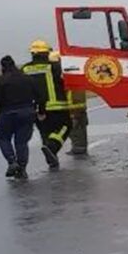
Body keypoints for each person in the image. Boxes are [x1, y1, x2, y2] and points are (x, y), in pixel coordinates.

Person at [23, 40, 79, 169]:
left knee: (45, 132)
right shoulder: (53, 67)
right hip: (57, 106)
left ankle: (51, 159)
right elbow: (66, 80)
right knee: (66, 127)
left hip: (35, 108)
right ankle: (52, 149)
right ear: (46, 52)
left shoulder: (25, 69)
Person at [0, 55, 39, 179]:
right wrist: (38, 110)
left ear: (3, 67)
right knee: (21, 142)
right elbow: (39, 96)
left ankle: (12, 161)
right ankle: (22, 168)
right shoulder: (28, 79)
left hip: (7, 114)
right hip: (27, 113)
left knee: (3, 137)